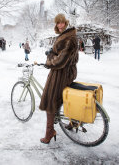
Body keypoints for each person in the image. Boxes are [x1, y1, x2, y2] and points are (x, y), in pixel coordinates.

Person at [39, 14, 79, 144]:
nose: (60, 25)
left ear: (66, 23)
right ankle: (73, 122)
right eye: (58, 23)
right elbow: (61, 54)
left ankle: (49, 132)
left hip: (62, 72)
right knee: (64, 97)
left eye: (62, 23)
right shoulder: (65, 36)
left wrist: (49, 61)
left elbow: (61, 60)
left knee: (50, 99)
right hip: (63, 71)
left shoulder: (70, 38)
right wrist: (52, 53)